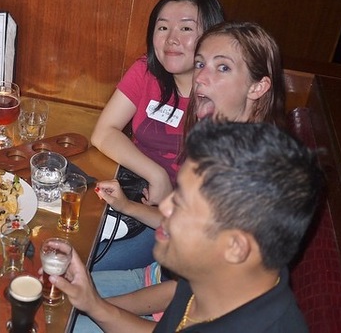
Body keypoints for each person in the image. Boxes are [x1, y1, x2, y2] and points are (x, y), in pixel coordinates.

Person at [77, 21, 289, 332]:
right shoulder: (220, 146)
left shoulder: (256, 186)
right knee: (45, 293)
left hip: (171, 312)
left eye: (223, 68)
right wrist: (129, 207)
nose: (201, 77)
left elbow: (184, 299)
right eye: (201, 64)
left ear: (258, 87)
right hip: (154, 279)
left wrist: (96, 308)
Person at [54, 120, 323, 333]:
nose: (165, 207)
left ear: (235, 246)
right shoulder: (224, 277)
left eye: (182, 202)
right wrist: (94, 305)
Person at [90, 0, 224, 270]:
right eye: (163, 27)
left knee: (84, 264)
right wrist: (156, 174)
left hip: (171, 221)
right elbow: (104, 132)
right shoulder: (146, 71)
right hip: (128, 186)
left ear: (212, 36)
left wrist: (165, 193)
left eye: (186, 28)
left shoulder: (223, 99)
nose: (172, 39)